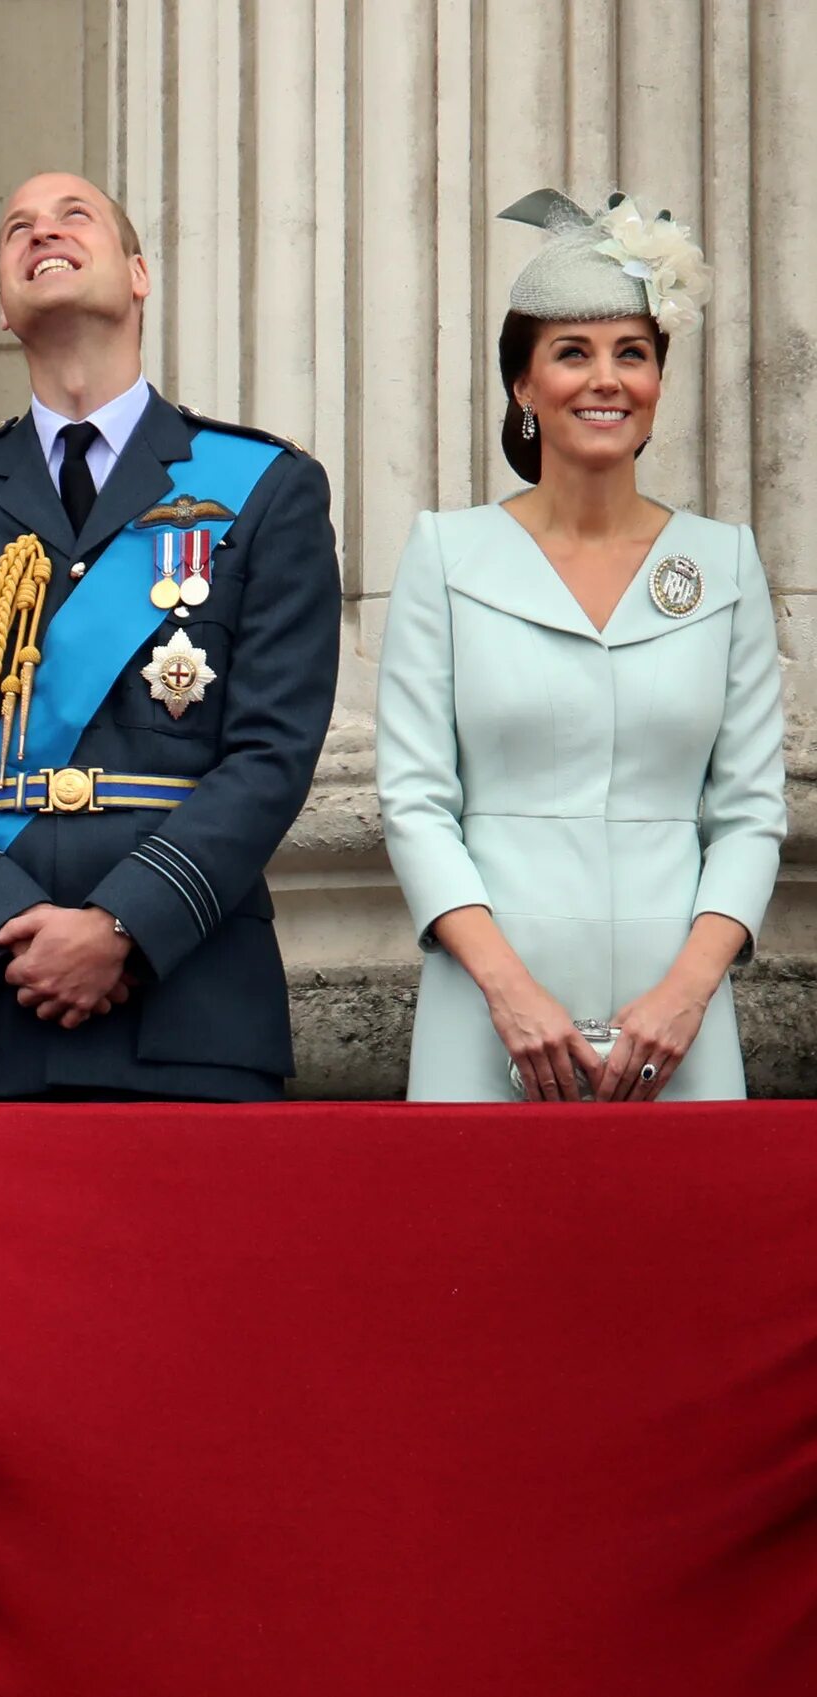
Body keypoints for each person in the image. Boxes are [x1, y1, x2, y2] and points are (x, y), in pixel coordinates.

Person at [0, 172, 340, 1101]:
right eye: (14, 226)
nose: (42, 232)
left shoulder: (265, 487)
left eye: (75, 217)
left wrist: (121, 928)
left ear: (138, 274)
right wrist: (3, 919)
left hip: (189, 1005)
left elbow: (271, 755)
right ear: (1, 303)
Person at [378, 192, 779, 1102]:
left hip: (675, 1020)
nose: (606, 379)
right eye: (572, 352)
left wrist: (684, 997)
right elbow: (415, 799)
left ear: (659, 382)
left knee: (684, 1244)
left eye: (631, 353)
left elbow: (751, 811)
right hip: (489, 1008)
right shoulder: (448, 554)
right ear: (522, 384)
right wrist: (509, 993)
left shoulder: (723, 563)